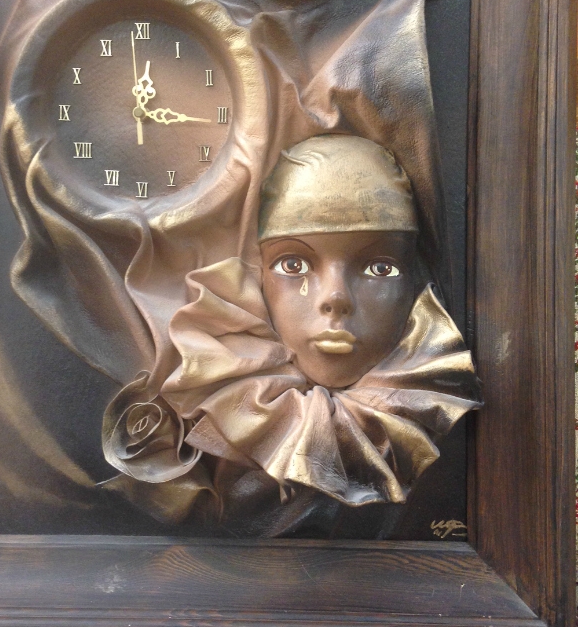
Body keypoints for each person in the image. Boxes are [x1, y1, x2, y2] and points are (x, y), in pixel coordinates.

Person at [103, 134, 482, 537]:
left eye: (380, 268)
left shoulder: (450, 428)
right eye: (293, 264)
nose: (335, 298)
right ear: (257, 275)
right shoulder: (226, 377)